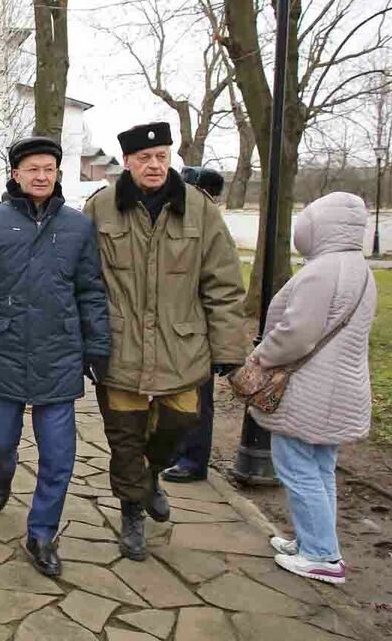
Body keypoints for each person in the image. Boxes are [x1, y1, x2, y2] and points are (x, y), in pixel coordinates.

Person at [82, 122, 245, 562]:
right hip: (120, 349)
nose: (154, 166)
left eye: (161, 157)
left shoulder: (200, 210)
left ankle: (153, 475)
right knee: (125, 438)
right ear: (128, 163)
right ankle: (131, 510)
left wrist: (229, 350)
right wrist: (86, 339)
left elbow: (224, 284)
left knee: (178, 426)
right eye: (144, 159)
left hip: (182, 347)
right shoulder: (99, 209)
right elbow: (82, 280)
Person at [0, 137, 111, 578]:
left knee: (59, 456)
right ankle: (2, 474)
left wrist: (97, 345)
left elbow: (91, 292)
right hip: (3, 352)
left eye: (49, 168)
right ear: (16, 174)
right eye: (33, 169)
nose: (42, 176)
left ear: (57, 174)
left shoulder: (78, 227)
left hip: (59, 354)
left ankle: (41, 533)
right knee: (1, 440)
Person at [253, 192, 377, 585]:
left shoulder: (324, 271)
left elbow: (296, 334)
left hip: (312, 391)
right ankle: (316, 542)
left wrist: (261, 356)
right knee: (320, 467)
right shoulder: (358, 267)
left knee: (296, 465)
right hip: (341, 388)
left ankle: (321, 555)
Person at [162, 166, 227, 484]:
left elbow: (220, 289)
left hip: (197, 331)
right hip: (172, 328)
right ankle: (178, 452)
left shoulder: (208, 225)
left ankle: (193, 458)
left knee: (198, 400)